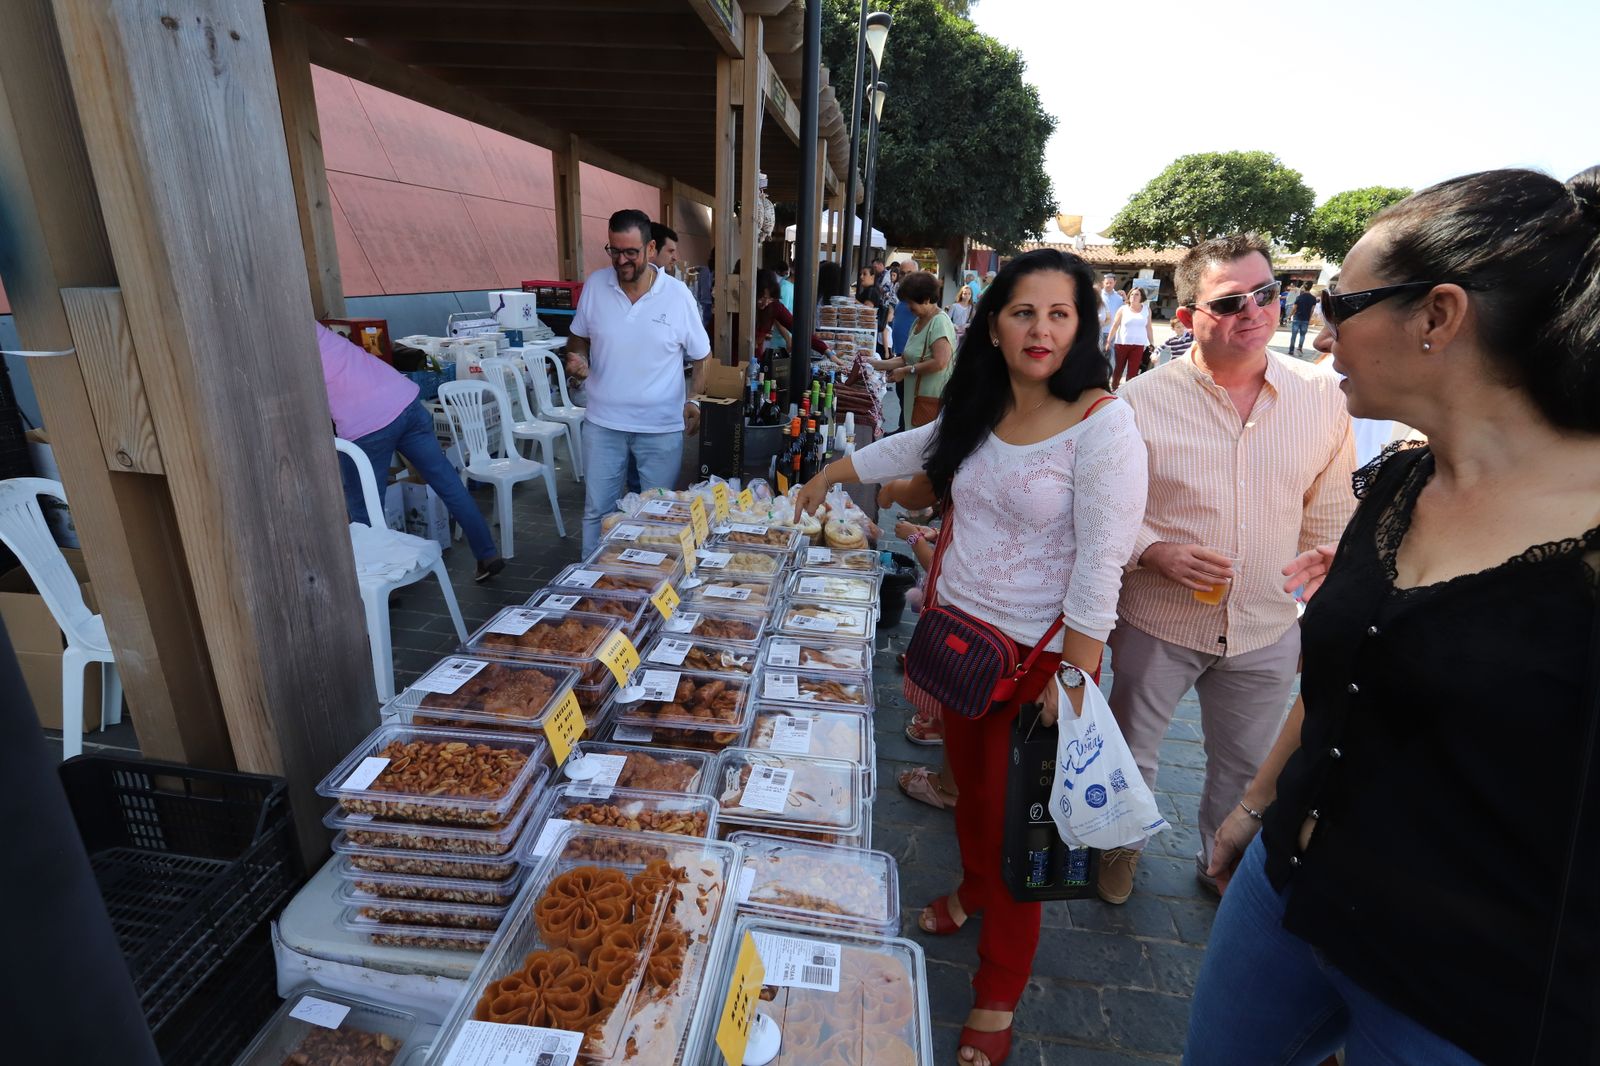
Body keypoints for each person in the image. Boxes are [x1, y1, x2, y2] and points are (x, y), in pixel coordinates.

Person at [1186, 166, 1600, 1064]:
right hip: (1284, 899)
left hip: (1464, 998)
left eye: (1343, 299)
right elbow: (1344, 679)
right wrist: (1254, 808)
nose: (1320, 325)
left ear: (1438, 317)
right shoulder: (1405, 481)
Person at [795, 249, 1148, 1066]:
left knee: (1024, 828)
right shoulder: (983, 404)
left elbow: (1101, 565)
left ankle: (997, 991)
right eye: (1025, 312)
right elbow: (921, 445)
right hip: (959, 646)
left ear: (1083, 327)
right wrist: (836, 468)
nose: (1042, 330)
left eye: (1061, 314)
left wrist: (1073, 677)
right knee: (968, 797)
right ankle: (972, 886)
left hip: (1037, 667)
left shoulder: (1104, 424)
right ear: (994, 322)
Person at [1101, 234, 1356, 906]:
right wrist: (1156, 549)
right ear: (1186, 318)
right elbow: (1108, 509)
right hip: (1159, 615)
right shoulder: (1138, 402)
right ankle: (1119, 848)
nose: (1255, 310)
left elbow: (1330, 518)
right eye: (1230, 301)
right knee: (1131, 751)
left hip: (1267, 624)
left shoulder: (1322, 398)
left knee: (1245, 768)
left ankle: (1221, 859)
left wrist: (1323, 615)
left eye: (1266, 293)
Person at [566, 209, 709, 552]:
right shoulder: (596, 286)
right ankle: (590, 583)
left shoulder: (678, 296)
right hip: (603, 424)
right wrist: (578, 358)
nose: (622, 260)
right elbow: (578, 336)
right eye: (615, 251)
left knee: (656, 516)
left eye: (631, 252)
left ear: (650, 249)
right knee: (597, 512)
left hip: (660, 429)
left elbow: (702, 356)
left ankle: (647, 590)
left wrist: (694, 400)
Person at [318, 323, 506, 582]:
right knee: (448, 482)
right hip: (404, 401)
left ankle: (381, 587)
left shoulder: (282, 341)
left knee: (364, 510)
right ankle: (487, 552)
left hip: (364, 425)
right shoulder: (316, 329)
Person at [871, 271, 957, 429]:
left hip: (929, 400)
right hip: (916, 400)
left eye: (911, 303)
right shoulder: (918, 321)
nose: (908, 307)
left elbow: (940, 362)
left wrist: (906, 371)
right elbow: (906, 358)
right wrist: (875, 364)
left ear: (926, 299)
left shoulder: (939, 322)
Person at [754, 268, 829, 359]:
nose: (766, 302)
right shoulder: (745, 307)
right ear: (755, 292)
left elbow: (798, 328)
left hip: (757, 358)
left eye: (770, 299)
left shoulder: (775, 306)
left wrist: (826, 350)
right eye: (762, 297)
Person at [1105, 285, 1153, 389]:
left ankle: (1128, 391)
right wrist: (1108, 341)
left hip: (1138, 345)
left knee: (1133, 371)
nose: (1133, 296)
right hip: (1122, 344)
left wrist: (1151, 343)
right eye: (1132, 294)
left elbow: (1149, 327)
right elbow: (1115, 326)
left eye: (1137, 294)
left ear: (1142, 297)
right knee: (1118, 370)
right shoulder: (1123, 309)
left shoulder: (1147, 310)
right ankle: (1114, 389)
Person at [1288, 281, 1317, 355]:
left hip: (1297, 318)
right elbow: (1312, 310)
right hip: (1306, 319)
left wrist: (1289, 316)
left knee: (1294, 335)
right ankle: (1299, 348)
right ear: (1311, 287)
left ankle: (1291, 350)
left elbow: (1294, 308)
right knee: (1302, 335)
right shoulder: (1313, 298)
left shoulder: (1299, 297)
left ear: (1304, 287)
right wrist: (1309, 318)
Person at [1097, 273, 1124, 351]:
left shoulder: (1119, 298)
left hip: (1113, 332)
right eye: (1106, 283)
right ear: (1103, 283)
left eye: (1111, 283)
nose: (1108, 285)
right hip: (1099, 331)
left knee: (1111, 357)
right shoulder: (1098, 295)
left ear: (1115, 283)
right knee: (1098, 355)